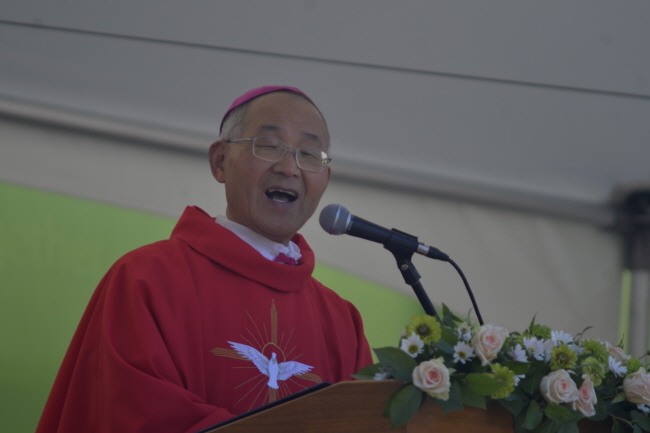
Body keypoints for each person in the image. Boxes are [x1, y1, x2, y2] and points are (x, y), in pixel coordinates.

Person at [35, 86, 373, 433]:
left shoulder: (341, 321)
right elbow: (135, 414)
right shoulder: (145, 279)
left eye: (309, 154)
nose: (289, 168)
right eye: (269, 146)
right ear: (220, 161)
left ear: (325, 179)